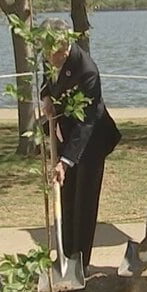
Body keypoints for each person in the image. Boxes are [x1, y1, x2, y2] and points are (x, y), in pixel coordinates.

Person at [40, 18, 122, 271]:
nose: (49, 56)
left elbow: (87, 122)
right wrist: (45, 98)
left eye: (54, 50)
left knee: (83, 201)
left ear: (66, 46)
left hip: (92, 139)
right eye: (45, 49)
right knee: (66, 197)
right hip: (67, 133)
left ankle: (80, 262)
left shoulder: (87, 69)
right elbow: (47, 84)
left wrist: (65, 161)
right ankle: (65, 256)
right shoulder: (49, 56)